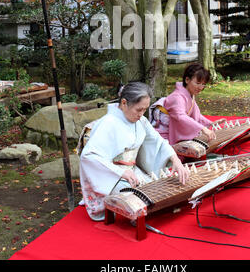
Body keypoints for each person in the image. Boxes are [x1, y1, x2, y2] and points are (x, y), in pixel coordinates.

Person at [79, 81, 189, 221]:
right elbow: (88, 156)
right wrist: (120, 172)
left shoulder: (140, 120)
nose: (141, 114)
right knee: (140, 201)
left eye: (145, 110)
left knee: (161, 190)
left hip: (133, 172)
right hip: (112, 177)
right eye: (138, 109)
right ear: (124, 103)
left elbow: (157, 141)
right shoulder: (108, 123)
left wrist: (176, 160)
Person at [161, 62, 226, 145]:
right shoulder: (177, 97)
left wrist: (210, 123)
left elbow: (197, 116)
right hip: (166, 137)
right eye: (198, 83)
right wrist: (202, 128)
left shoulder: (190, 95)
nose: (200, 87)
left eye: (203, 84)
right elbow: (181, 117)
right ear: (187, 80)